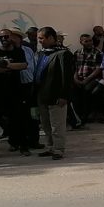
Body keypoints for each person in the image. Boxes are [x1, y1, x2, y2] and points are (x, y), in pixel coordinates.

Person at [33, 27, 74, 160]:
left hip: (56, 96)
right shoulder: (42, 54)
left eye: (42, 38)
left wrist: (64, 96)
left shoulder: (63, 54)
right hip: (42, 95)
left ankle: (58, 149)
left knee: (57, 125)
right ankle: (50, 147)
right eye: (38, 38)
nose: (40, 41)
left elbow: (66, 77)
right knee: (45, 124)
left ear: (51, 38)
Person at [0, 27, 32, 155]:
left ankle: (23, 147)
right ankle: (12, 142)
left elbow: (23, 65)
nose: (4, 39)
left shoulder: (18, 52)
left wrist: (4, 65)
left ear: (11, 37)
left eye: (6, 36)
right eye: (1, 37)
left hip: (16, 91)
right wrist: (11, 67)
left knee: (19, 119)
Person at [72, 33, 104, 127]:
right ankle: (76, 117)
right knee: (74, 92)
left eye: (90, 41)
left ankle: (85, 116)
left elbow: (98, 70)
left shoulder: (98, 53)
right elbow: (74, 68)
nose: (89, 43)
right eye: (86, 41)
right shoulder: (77, 53)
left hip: (93, 79)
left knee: (86, 90)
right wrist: (75, 79)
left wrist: (86, 80)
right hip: (79, 78)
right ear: (81, 42)